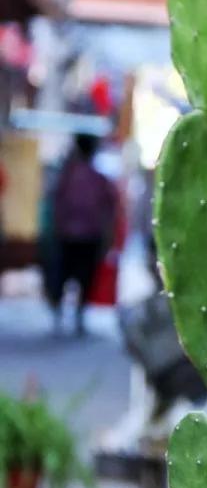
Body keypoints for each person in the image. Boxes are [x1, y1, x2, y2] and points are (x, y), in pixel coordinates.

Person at [48, 134, 117, 336]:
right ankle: (77, 315)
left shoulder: (68, 176)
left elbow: (57, 204)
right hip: (89, 236)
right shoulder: (98, 179)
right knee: (83, 276)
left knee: (65, 274)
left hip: (69, 235)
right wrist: (108, 236)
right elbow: (109, 210)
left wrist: (56, 228)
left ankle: (62, 313)